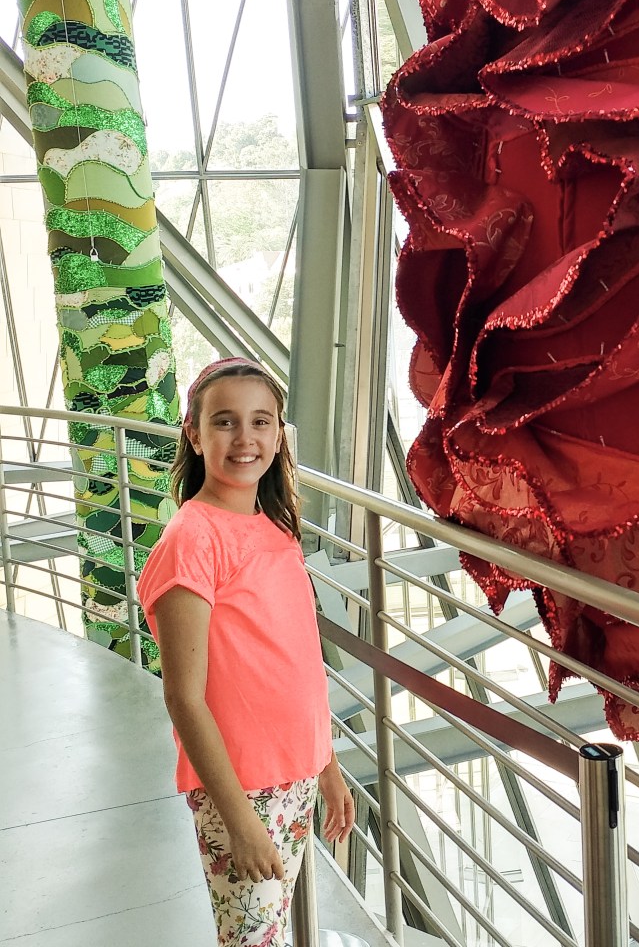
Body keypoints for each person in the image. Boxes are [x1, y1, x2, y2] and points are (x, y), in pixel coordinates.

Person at [137, 357, 355, 946]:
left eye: (261, 422)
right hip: (242, 787)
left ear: (279, 432)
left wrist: (325, 765)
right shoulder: (193, 539)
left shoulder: (273, 527)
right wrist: (239, 819)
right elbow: (184, 696)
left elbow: (296, 664)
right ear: (194, 431)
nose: (246, 439)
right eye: (226, 422)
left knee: (269, 932)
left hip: (294, 775)